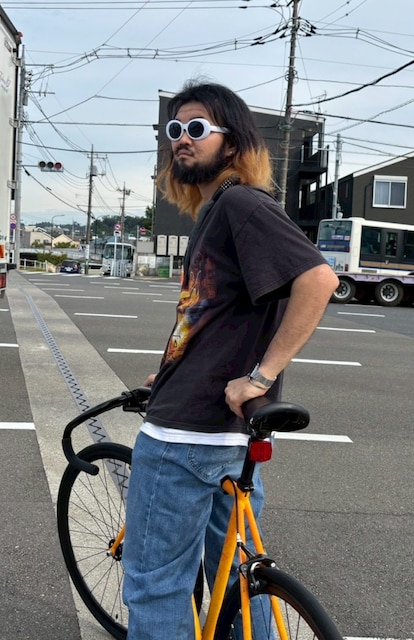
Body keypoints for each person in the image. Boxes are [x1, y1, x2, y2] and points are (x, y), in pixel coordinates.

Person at [122, 80, 339, 639]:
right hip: (227, 434)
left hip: (185, 436)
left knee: (156, 584)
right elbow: (215, 318)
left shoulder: (241, 203)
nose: (182, 139)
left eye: (197, 128)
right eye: (174, 129)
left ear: (234, 142)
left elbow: (318, 280)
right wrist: (170, 371)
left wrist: (261, 377)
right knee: (237, 579)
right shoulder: (219, 210)